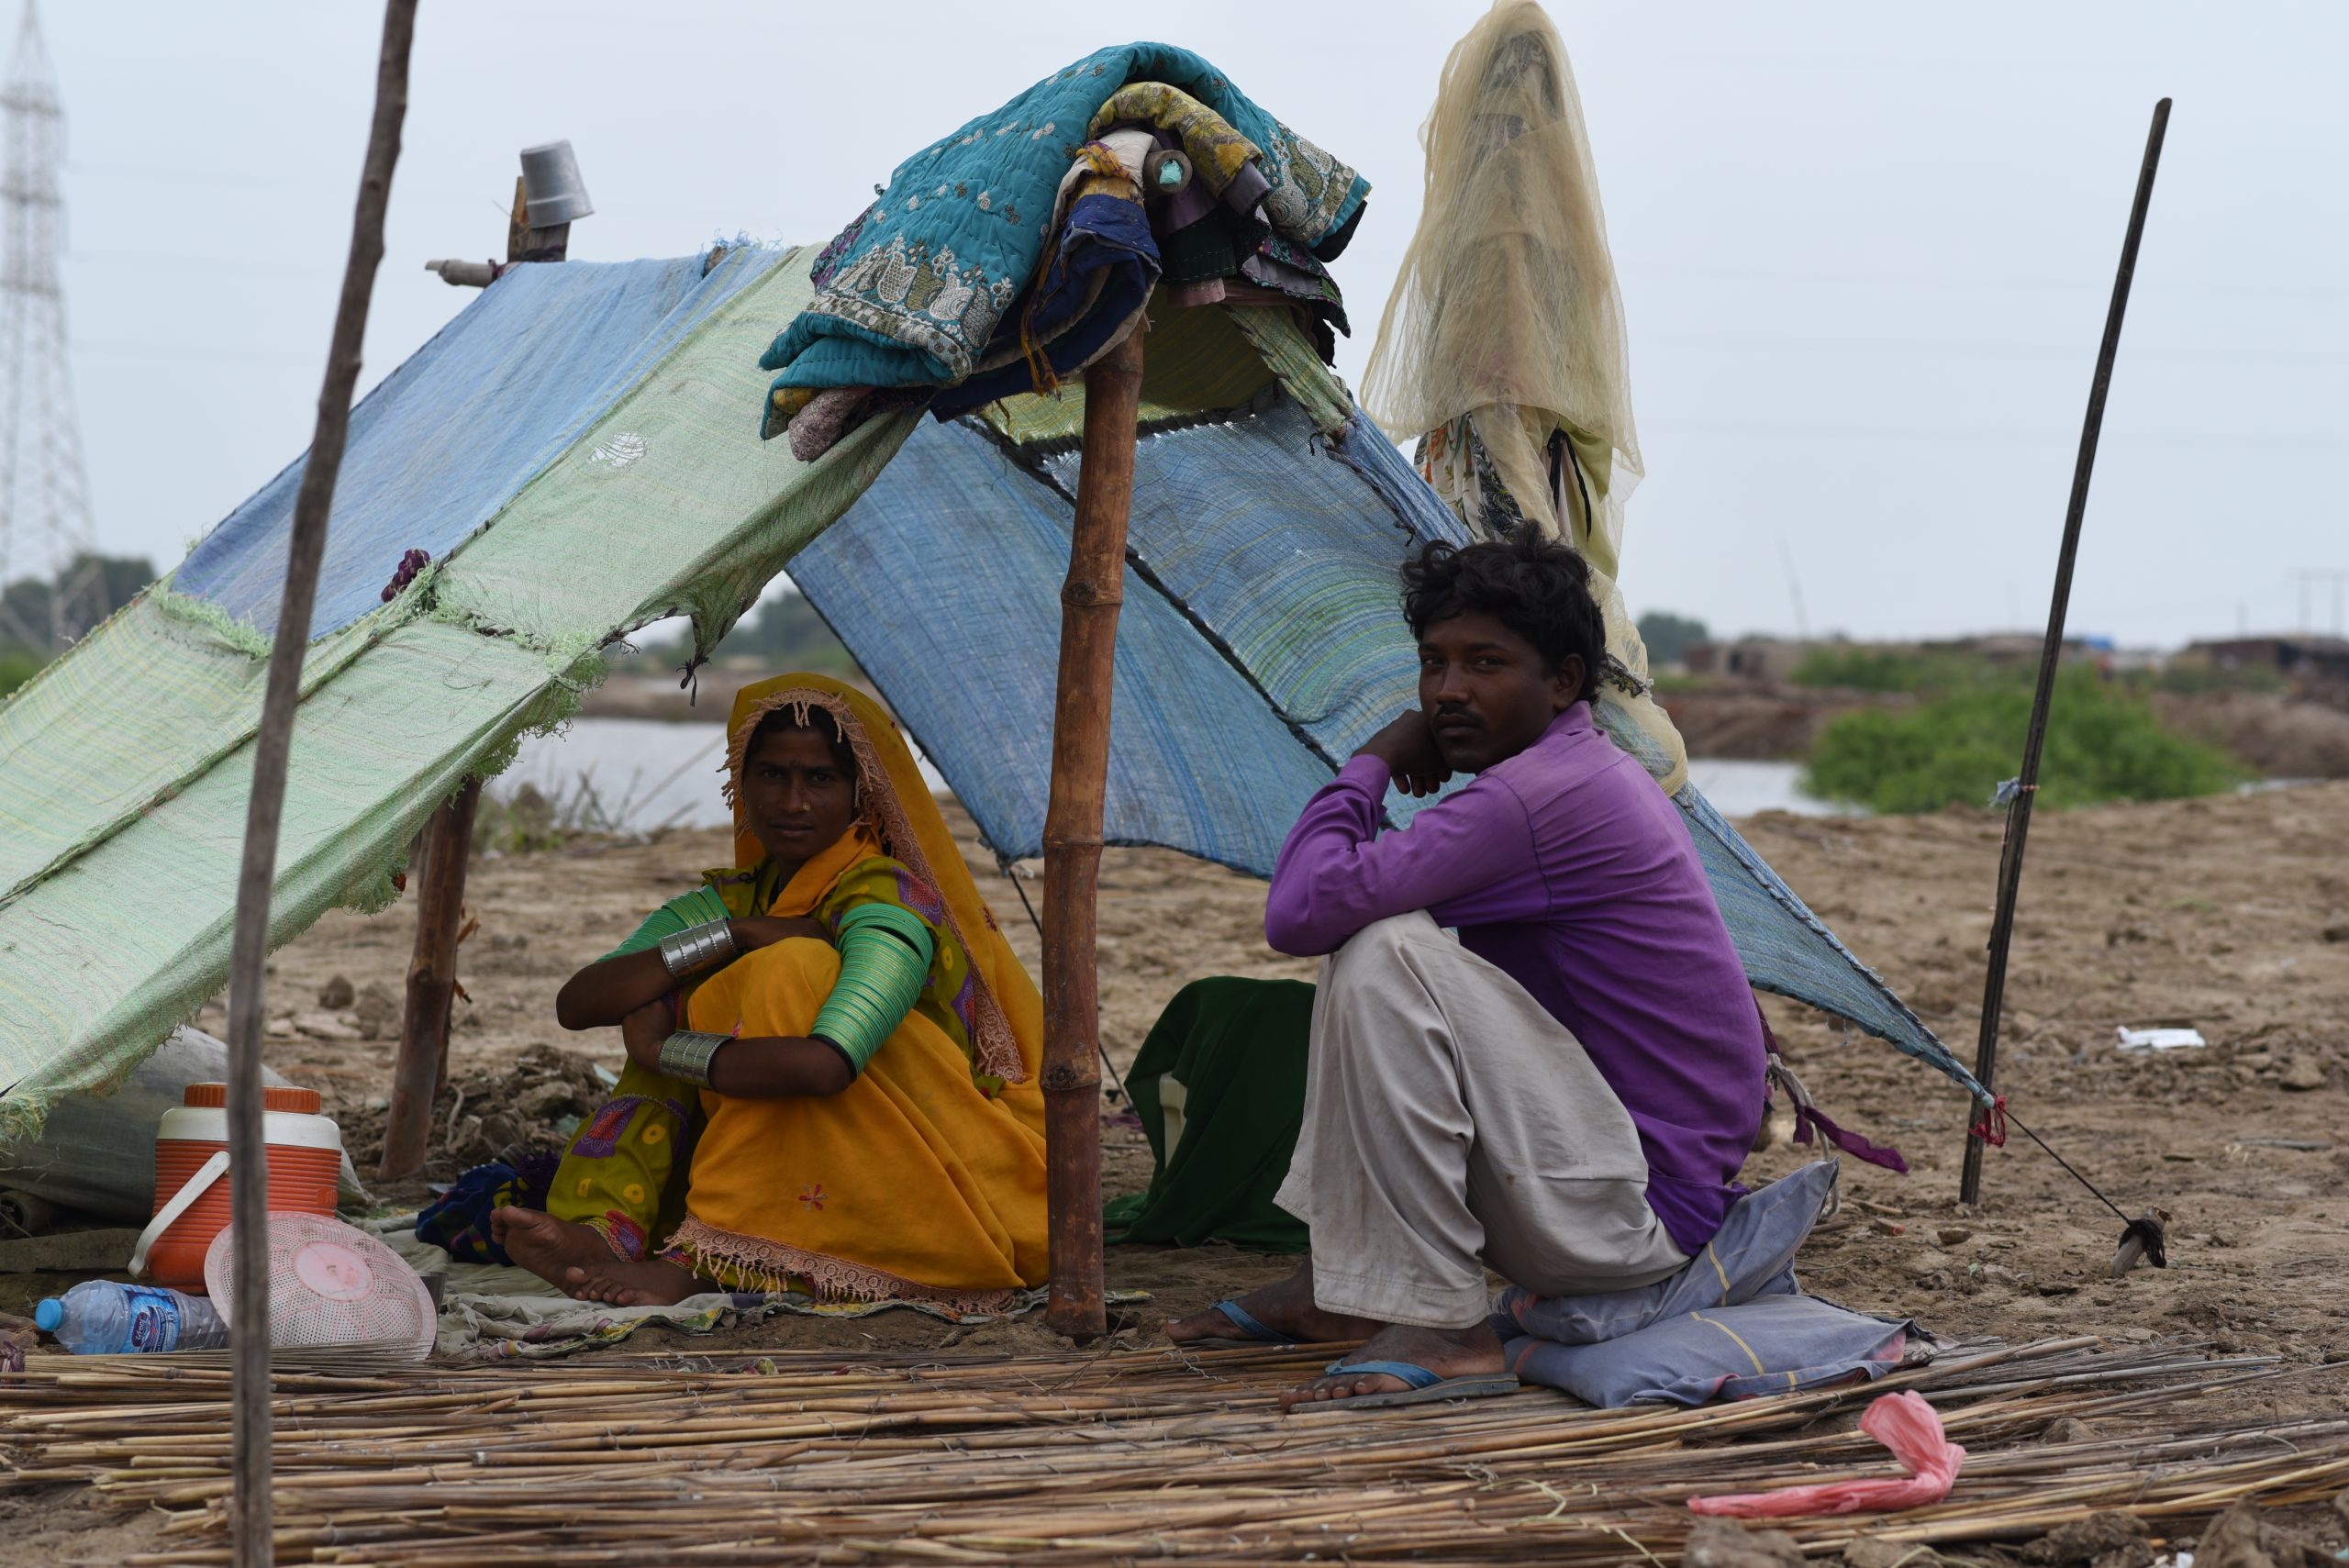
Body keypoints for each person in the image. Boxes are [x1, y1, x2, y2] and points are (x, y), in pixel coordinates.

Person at [1165, 534, 1766, 1409]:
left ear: (1563, 681)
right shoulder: (1574, 772)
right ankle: (1340, 1287)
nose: (1449, 691)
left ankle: (1448, 1326)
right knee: (1378, 935)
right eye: (1433, 664)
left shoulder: (1541, 796)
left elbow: (1297, 912)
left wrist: (1370, 762)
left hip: (1631, 1218)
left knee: (1380, 946)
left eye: (1486, 663)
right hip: (1609, 1181)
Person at [492, 674, 1050, 1309]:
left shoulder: (889, 901)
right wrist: (727, 935)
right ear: (741, 783)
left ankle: (710, 1260)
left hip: (958, 1174)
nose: (792, 800)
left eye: (820, 779)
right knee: (677, 984)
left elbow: (826, 1063)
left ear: (859, 793)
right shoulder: (735, 901)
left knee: (786, 972)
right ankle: (609, 1230)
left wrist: (664, 1050)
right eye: (772, 775)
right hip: (837, 1143)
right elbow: (581, 1002)